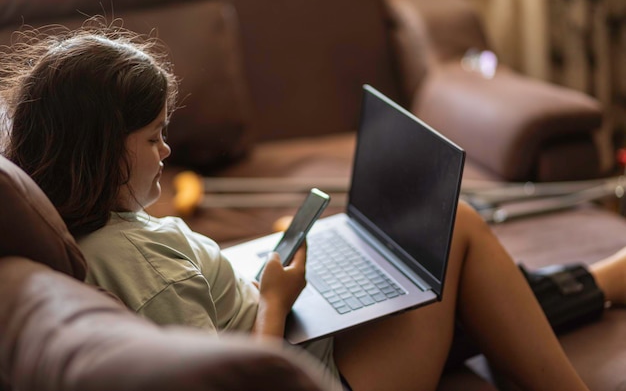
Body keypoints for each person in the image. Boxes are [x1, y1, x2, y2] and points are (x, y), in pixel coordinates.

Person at [2, 20, 623, 391]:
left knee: (410, 270)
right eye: (153, 136)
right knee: (450, 228)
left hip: (293, 333)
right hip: (316, 376)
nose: (167, 149)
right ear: (101, 149)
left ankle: (600, 280)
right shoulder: (138, 264)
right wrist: (274, 299)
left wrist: (256, 277)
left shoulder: (99, 226)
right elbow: (241, 384)